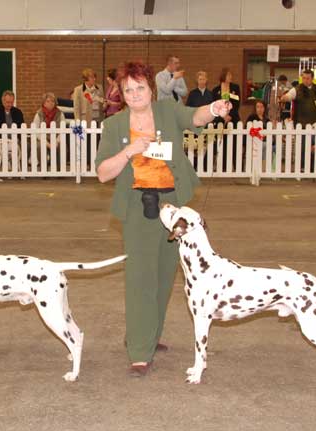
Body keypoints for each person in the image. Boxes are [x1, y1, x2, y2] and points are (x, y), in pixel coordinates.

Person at [95, 61, 231, 377]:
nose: (134, 94)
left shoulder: (167, 111)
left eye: (140, 87)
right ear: (122, 93)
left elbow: (194, 117)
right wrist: (129, 151)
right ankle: (139, 351)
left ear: (151, 89)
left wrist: (214, 108)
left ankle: (149, 335)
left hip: (173, 207)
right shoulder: (115, 125)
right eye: (128, 89)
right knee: (140, 278)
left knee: (164, 275)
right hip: (138, 208)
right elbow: (103, 173)